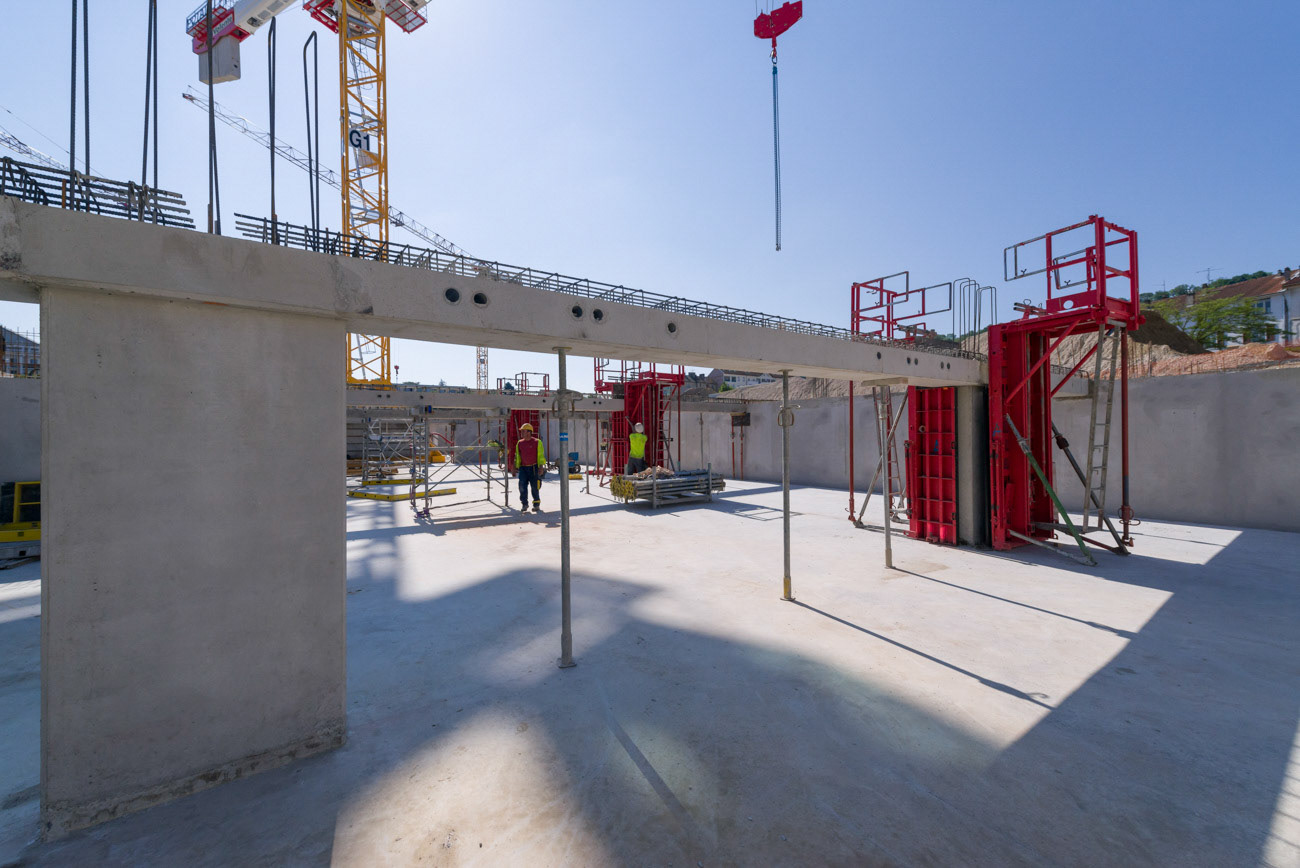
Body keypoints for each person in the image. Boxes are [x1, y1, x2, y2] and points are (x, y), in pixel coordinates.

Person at [515, 422, 545, 513]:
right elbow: (517, 456)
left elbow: (540, 455)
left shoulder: (537, 442)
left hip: (534, 468)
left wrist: (541, 467)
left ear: (529, 432)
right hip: (523, 468)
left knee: (535, 486)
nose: (522, 433)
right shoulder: (520, 443)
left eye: (523, 431)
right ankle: (524, 504)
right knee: (522, 486)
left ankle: (536, 504)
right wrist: (515, 467)